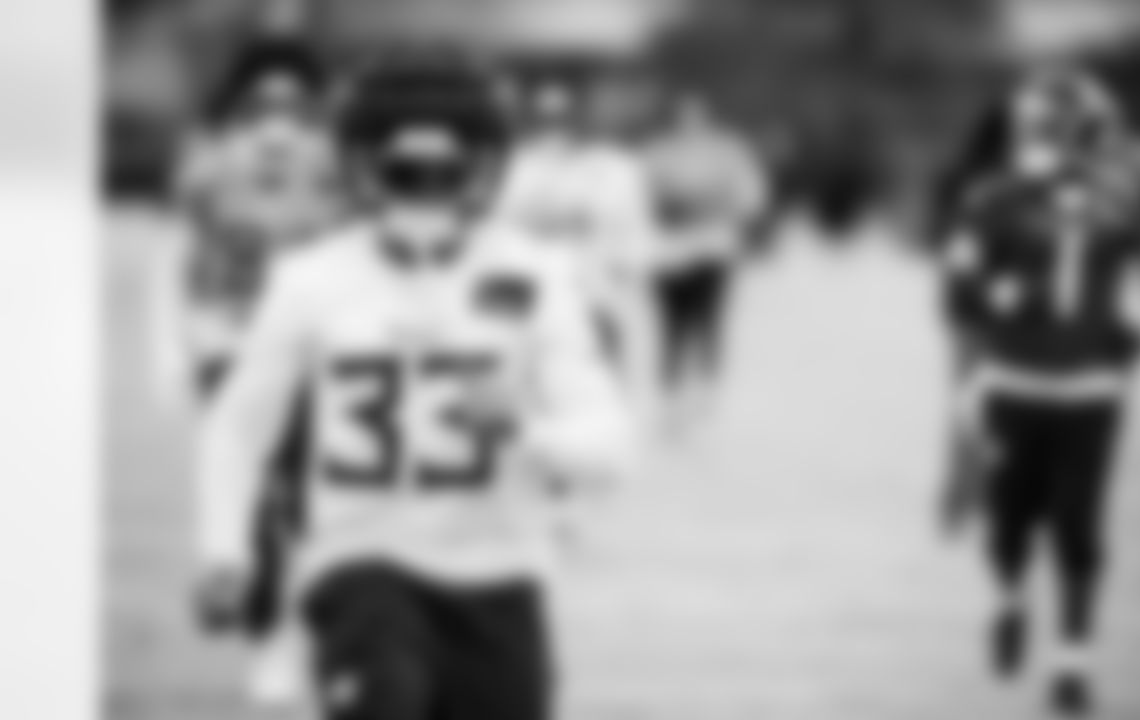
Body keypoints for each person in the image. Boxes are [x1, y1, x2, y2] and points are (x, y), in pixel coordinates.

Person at [192, 57, 635, 720]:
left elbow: (610, 443)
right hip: (361, 558)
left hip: (500, 569)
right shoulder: (312, 280)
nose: (424, 191)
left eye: (445, 172)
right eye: (404, 172)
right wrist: (224, 548)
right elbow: (238, 426)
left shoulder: (537, 277)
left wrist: (525, 427)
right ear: (360, 169)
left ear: (483, 171)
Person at [936, 66, 1140, 716]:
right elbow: (959, 289)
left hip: (1089, 393)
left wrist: (1123, 347)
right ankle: (1010, 600)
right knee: (1010, 523)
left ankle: (1074, 660)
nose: (1053, 141)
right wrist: (1001, 298)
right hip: (1013, 385)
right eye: (1042, 127)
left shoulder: (1124, 206)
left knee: (1078, 522)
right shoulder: (990, 202)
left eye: (1071, 129)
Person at [157, 34, 345, 701]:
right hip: (234, 346)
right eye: (261, 102)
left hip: (313, 351)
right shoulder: (209, 170)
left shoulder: (338, 169)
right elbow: (191, 266)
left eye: (292, 103)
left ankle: (323, 627)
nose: (277, 118)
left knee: (314, 502)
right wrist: (187, 348)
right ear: (238, 106)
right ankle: (266, 633)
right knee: (255, 504)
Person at [490, 77, 662, 426]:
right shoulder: (510, 167)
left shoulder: (612, 168)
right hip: (523, 294)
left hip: (591, 291)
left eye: (562, 118)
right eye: (546, 118)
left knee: (597, 375)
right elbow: (492, 225)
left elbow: (632, 226)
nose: (555, 128)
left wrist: (631, 267)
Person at [643, 95, 769, 432]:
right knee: (672, 325)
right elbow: (639, 197)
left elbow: (751, 196)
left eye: (695, 116)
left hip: (713, 247)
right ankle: (670, 393)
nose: (689, 123)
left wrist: (718, 208)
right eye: (682, 116)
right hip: (669, 250)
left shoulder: (728, 151)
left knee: (708, 320)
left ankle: (706, 386)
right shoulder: (659, 152)